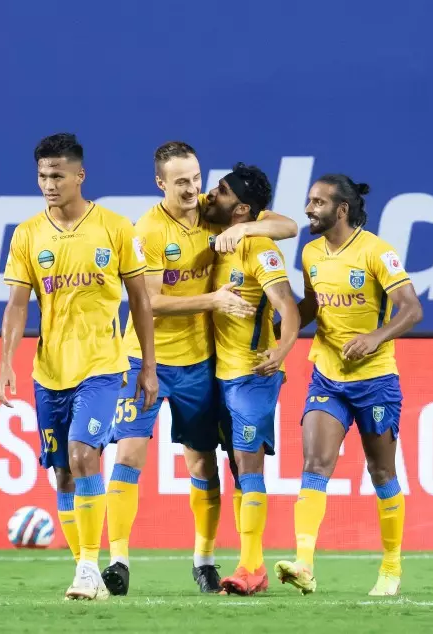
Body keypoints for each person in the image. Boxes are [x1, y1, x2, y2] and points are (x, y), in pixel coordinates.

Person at [102, 142, 298, 596]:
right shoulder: (148, 230)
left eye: (196, 178)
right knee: (129, 454)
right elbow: (148, 302)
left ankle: (204, 561)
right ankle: (118, 561)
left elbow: (287, 225)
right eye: (181, 182)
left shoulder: (213, 211)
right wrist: (212, 300)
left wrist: (246, 228)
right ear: (160, 183)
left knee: (203, 463)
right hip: (145, 357)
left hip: (199, 363)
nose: (193, 189)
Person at [0, 133, 158, 601]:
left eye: (58, 175)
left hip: (102, 366)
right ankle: (84, 569)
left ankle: (89, 566)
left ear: (80, 176)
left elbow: (140, 302)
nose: (49, 184)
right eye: (43, 176)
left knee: (84, 454)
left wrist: (148, 366)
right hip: (49, 371)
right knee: (64, 473)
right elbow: (17, 305)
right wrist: (6, 362)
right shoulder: (27, 234)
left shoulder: (115, 228)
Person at [274, 174, 423, 597]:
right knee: (314, 465)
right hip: (328, 375)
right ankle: (304, 564)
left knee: (381, 472)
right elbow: (311, 306)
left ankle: (391, 568)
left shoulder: (376, 251)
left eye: (318, 202)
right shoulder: (311, 253)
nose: (309, 209)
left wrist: (376, 337)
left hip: (375, 381)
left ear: (341, 209)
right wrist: (276, 331)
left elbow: (412, 309)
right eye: (309, 201)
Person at [201, 164, 299, 596]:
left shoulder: (259, 247)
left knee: (249, 464)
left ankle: (248, 567)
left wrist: (281, 350)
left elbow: (288, 306)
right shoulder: (215, 228)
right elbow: (287, 223)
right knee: (236, 466)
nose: (211, 193)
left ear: (241, 208)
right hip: (217, 373)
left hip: (252, 373)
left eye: (221, 190)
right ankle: (253, 566)